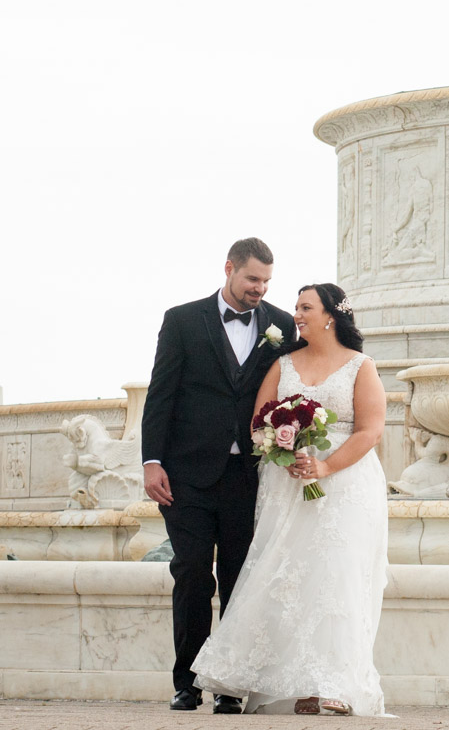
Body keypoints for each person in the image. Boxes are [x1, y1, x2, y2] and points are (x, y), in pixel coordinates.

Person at [190, 282, 389, 717]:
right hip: (287, 484)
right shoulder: (283, 364)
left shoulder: (361, 366)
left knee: (339, 576)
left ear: (330, 315)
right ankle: (288, 684)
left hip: (346, 485)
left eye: (305, 307)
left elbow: (370, 430)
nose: (296, 314)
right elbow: (259, 423)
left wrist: (325, 467)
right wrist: (284, 455)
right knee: (288, 576)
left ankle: (335, 685)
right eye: (297, 307)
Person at [142, 238, 295, 713]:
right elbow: (161, 393)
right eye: (252, 279)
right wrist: (152, 461)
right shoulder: (183, 319)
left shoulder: (281, 324)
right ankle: (186, 682)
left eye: (266, 281)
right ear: (229, 269)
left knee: (238, 578)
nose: (259, 289)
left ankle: (229, 684)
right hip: (186, 473)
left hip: (247, 475)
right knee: (190, 574)